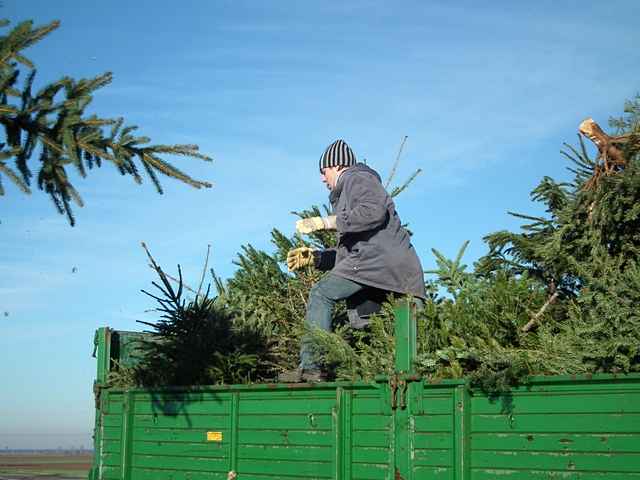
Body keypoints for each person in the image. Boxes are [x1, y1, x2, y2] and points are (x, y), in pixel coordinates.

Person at [280, 139, 426, 382]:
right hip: (396, 271)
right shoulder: (349, 190)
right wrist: (316, 258)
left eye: (323, 171)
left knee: (321, 293)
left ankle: (312, 367)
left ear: (337, 166)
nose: (322, 178)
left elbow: (373, 213)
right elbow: (353, 253)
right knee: (381, 330)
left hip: (378, 263)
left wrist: (326, 222)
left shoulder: (357, 178)